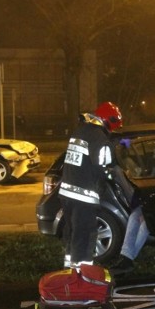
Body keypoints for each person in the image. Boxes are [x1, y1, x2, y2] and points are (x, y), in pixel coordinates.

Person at [58, 101, 123, 268]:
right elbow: (103, 167)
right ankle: (83, 273)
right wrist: (112, 174)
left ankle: (70, 269)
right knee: (86, 234)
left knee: (73, 233)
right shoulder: (99, 138)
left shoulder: (80, 131)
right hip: (84, 195)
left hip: (66, 193)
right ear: (109, 120)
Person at [108, 140, 155, 276]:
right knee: (134, 217)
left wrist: (148, 212)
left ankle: (127, 259)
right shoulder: (151, 165)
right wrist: (126, 145)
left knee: (144, 225)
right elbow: (130, 159)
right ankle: (126, 258)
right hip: (147, 204)